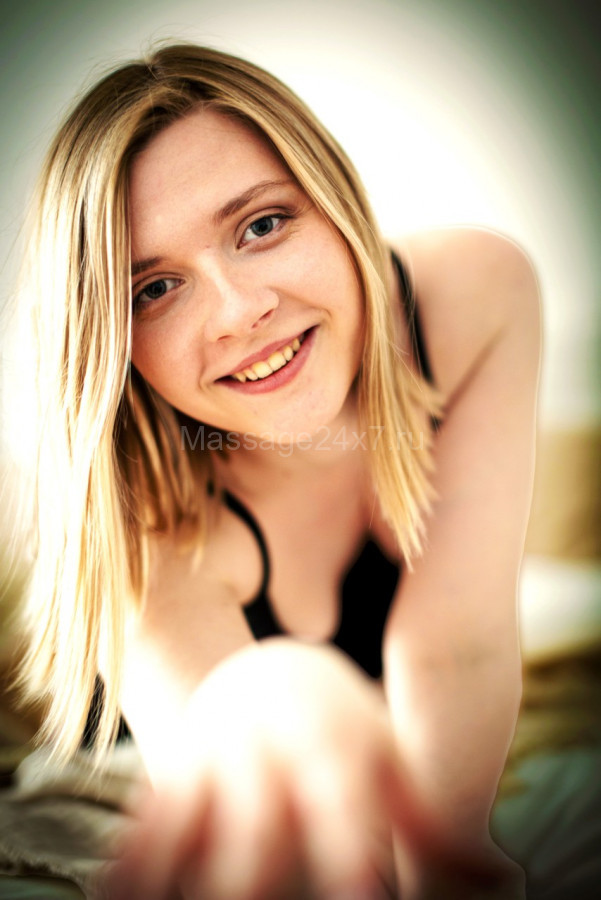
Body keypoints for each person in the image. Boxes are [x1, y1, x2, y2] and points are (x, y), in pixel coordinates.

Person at [9, 42, 540, 899]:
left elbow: (458, 644)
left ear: (335, 201)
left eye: (261, 225)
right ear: (114, 343)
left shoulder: (470, 299)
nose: (239, 312)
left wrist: (447, 863)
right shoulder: (137, 518)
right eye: (154, 288)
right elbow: (238, 775)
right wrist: (280, 699)